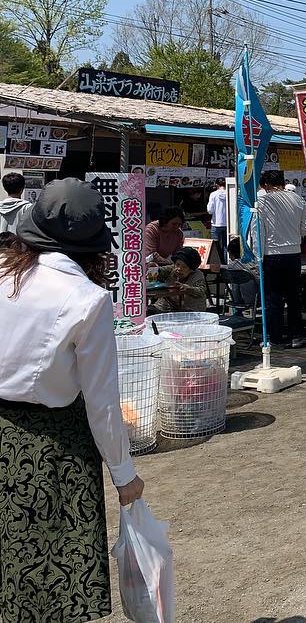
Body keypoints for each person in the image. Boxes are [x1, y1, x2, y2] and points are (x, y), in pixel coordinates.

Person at [0, 178, 145, 620]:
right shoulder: (88, 299)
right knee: (49, 575)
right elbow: (102, 402)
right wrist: (125, 476)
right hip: (51, 445)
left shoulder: (4, 272)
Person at [250, 169, 306, 348]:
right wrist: (293, 234)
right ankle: (297, 335)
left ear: (267, 185)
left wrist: (257, 257)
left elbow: (257, 232)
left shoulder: (262, 202)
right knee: (294, 296)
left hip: (272, 255)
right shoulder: (298, 199)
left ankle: (275, 337)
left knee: (273, 298)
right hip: (293, 254)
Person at [152, 246, 208, 313]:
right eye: (177, 264)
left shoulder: (198, 275)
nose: (179, 268)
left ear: (191, 269)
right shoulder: (171, 269)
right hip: (166, 307)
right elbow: (159, 271)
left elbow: (201, 291)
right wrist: (153, 269)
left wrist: (189, 289)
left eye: (184, 267)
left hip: (190, 310)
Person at [225, 236, 259, 312]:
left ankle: (237, 312)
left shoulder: (231, 266)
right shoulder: (251, 264)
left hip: (236, 299)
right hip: (253, 298)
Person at [207, 177, 229, 260]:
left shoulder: (213, 194)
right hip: (228, 224)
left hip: (216, 223)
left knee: (215, 246)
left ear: (216, 185)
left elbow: (210, 210)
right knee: (226, 246)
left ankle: (217, 263)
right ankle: (226, 263)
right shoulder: (230, 193)